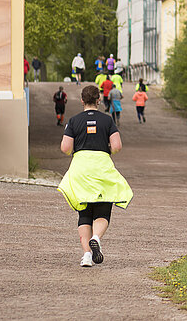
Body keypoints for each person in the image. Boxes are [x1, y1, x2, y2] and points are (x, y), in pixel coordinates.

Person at [57, 85, 133, 267]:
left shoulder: (74, 121)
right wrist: (107, 149)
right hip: (101, 167)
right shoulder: (107, 120)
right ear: (99, 100)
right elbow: (117, 146)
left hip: (81, 167)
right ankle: (96, 238)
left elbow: (65, 148)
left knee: (84, 213)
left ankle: (86, 256)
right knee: (103, 209)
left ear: (82, 100)